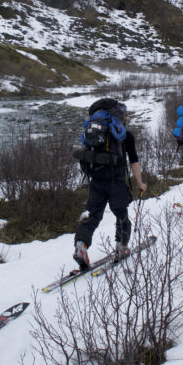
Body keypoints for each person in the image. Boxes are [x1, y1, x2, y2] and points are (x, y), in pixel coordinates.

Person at [73, 98, 147, 270]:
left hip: (97, 181)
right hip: (116, 181)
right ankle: (121, 248)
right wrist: (140, 183)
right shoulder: (125, 135)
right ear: (121, 116)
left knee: (93, 216)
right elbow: (134, 162)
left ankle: (81, 246)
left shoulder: (94, 132)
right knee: (121, 215)